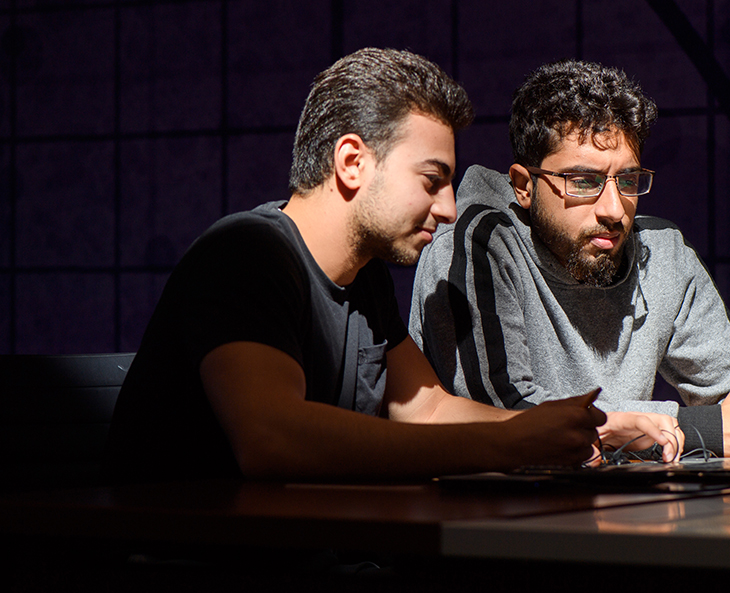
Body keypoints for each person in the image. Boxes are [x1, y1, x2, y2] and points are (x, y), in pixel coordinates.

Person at [103, 48, 617, 484]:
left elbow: (425, 409)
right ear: (352, 162)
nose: (448, 208)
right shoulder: (245, 252)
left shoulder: (363, 277)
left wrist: (547, 428)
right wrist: (509, 443)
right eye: (431, 179)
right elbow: (271, 438)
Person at [409, 59, 730, 459]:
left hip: (624, 507)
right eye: (584, 181)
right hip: (501, 511)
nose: (613, 209)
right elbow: (506, 416)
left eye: (627, 180)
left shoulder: (660, 252)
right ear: (523, 185)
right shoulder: (475, 244)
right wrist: (703, 429)